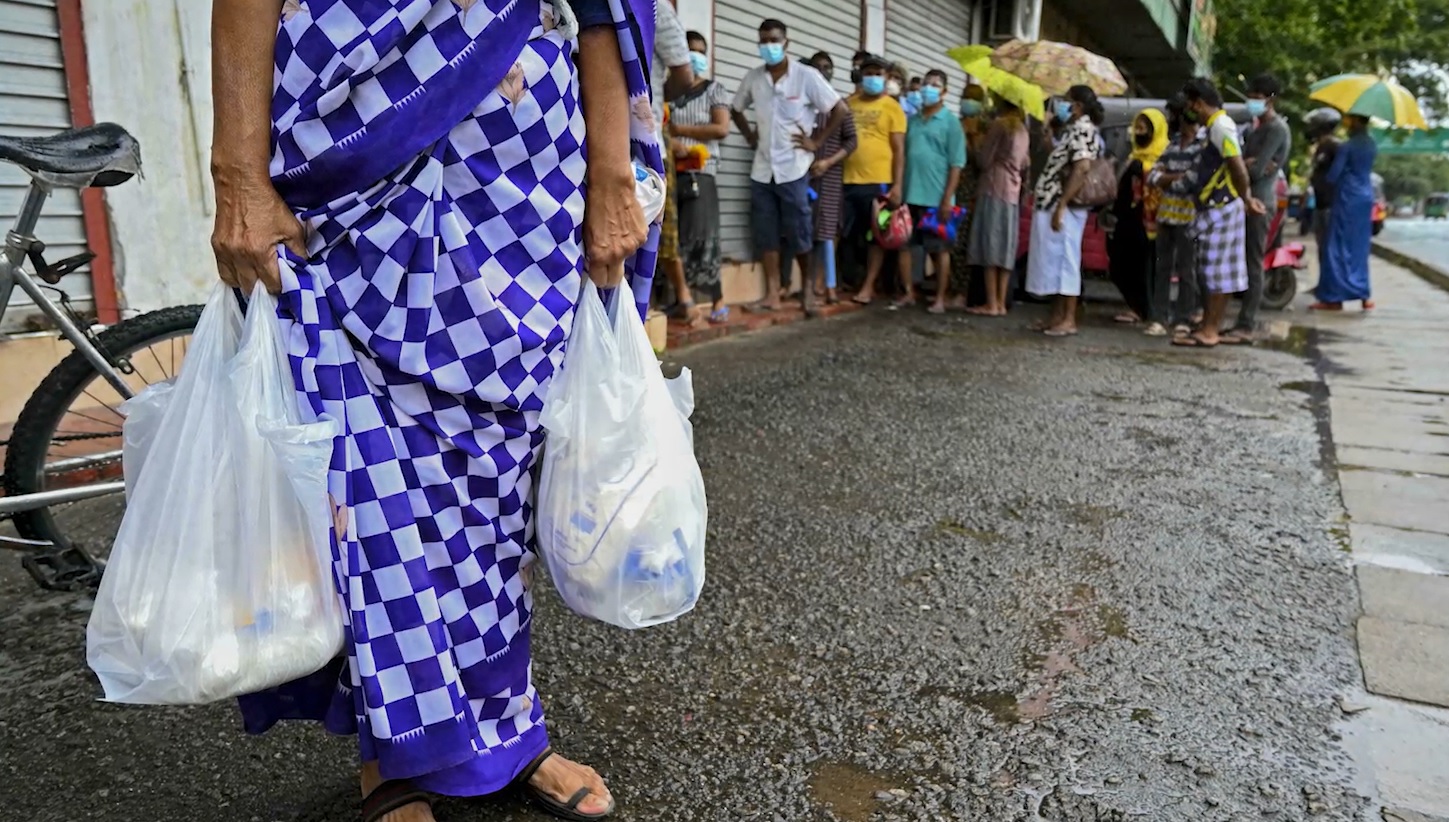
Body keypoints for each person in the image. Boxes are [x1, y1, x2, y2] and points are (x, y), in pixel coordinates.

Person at [210, 0, 658, 820]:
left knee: (501, 467)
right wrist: (237, 174)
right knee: (365, 469)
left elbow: (604, 8)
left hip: (524, 163)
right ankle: (398, 757)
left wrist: (612, 172)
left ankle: (507, 728)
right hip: (350, 135)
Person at [731, 18, 847, 316]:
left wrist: (817, 141)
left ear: (786, 43)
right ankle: (772, 295)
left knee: (799, 232)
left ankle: (806, 292)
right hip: (762, 169)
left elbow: (840, 109)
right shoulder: (754, 78)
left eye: (774, 40)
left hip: (794, 169)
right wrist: (748, 135)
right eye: (764, 41)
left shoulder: (806, 76)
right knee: (766, 232)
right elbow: (736, 108)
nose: (769, 46)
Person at [1172, 77, 1266, 348]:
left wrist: (1246, 198)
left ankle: (1210, 330)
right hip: (1215, 207)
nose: (1190, 110)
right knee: (1213, 271)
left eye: (1191, 105)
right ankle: (1208, 326)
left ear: (1199, 103)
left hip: (1222, 208)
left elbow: (1236, 166)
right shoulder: (1216, 127)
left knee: (1218, 273)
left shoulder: (1221, 127)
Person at [1025, 85, 1105, 337]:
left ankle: (1068, 318)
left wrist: (1061, 205)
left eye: (1067, 102)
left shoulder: (1083, 130)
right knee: (1053, 261)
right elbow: (1063, 160)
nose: (1062, 106)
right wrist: (1049, 138)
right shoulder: (1072, 130)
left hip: (1065, 207)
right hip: (1053, 203)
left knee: (1066, 262)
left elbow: (1081, 168)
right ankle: (1056, 316)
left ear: (1078, 106)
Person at [670, 31, 732, 324]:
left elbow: (720, 129)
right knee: (675, 238)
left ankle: (716, 299)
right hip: (670, 172)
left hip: (701, 173)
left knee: (702, 236)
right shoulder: (668, 90)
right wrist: (671, 143)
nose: (695, 55)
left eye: (700, 51)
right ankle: (682, 299)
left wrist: (680, 132)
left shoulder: (714, 90)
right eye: (689, 50)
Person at [1225, 72, 1291, 344]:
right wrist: (1245, 164)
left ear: (1271, 100)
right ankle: (1238, 320)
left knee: (1253, 263)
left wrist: (1246, 165)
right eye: (1250, 98)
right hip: (1246, 200)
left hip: (1261, 202)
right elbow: (1244, 163)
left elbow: (1257, 169)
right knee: (1238, 261)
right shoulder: (1255, 128)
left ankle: (1246, 323)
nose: (1252, 103)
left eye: (1257, 99)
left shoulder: (1276, 129)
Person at [898, 69, 967, 313]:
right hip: (910, 193)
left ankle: (940, 297)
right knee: (905, 246)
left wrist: (947, 198)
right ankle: (908, 293)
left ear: (944, 92)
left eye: (935, 85)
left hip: (936, 197)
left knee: (938, 250)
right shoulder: (913, 121)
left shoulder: (951, 123)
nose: (928, 88)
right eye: (926, 84)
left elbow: (956, 164)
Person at [843, 54, 907, 305]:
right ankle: (836, 281)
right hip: (847, 180)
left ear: (886, 77)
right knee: (843, 233)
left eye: (878, 74)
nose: (872, 78)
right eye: (868, 73)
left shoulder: (893, 108)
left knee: (875, 237)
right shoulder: (849, 103)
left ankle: (868, 286)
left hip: (878, 182)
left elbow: (899, 149)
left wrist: (897, 185)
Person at [1148, 94, 1208, 335]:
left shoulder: (1201, 147)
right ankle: (1159, 318)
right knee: (1162, 268)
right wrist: (1173, 178)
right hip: (1166, 215)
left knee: (1187, 269)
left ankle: (1183, 317)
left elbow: (1193, 181)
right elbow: (1152, 176)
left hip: (1190, 217)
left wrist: (1166, 179)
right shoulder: (1171, 145)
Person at [652, 1, 696, 322]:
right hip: (598, 129)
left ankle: (682, 299)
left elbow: (684, 75)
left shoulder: (657, 9)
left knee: (661, 225)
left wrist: (651, 97)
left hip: (647, 135)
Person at [965, 94, 1029, 317]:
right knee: (1005, 247)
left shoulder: (999, 126)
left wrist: (974, 142)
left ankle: (991, 302)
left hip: (993, 186)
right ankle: (1001, 303)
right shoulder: (1023, 130)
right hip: (1012, 191)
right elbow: (1024, 163)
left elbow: (984, 160)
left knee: (990, 244)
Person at [803, 51, 858, 305]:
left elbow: (852, 141)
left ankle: (829, 286)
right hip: (804, 175)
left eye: (828, 67)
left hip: (830, 176)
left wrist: (828, 162)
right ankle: (807, 284)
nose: (823, 71)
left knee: (826, 232)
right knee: (806, 230)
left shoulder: (840, 107)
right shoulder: (804, 103)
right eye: (818, 67)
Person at [1107, 109, 1169, 333]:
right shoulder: (1133, 155)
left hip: (1149, 222)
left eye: (1145, 128)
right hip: (1126, 219)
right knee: (1120, 264)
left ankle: (1148, 310)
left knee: (1146, 267)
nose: (1139, 132)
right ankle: (1135, 305)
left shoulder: (1163, 156)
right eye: (1138, 127)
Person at [1312, 113, 1377, 310]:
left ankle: (1333, 298)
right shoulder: (1372, 144)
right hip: (1365, 196)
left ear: (1356, 121)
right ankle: (1364, 294)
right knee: (1360, 247)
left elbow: (1333, 175)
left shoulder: (1347, 146)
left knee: (1336, 247)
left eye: (1349, 120)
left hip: (1347, 197)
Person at [951, 84, 990, 310]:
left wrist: (971, 140)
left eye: (972, 99)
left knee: (964, 244)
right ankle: (950, 286)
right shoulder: (956, 123)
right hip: (953, 187)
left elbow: (982, 161)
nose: (967, 102)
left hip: (973, 190)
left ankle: (962, 291)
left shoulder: (985, 129)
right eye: (965, 97)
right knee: (950, 240)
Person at [1305, 107, 1344, 283]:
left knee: (1328, 247)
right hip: (1321, 203)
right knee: (1321, 246)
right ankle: (1324, 284)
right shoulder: (1321, 146)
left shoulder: (1334, 146)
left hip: (1330, 203)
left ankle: (1330, 285)